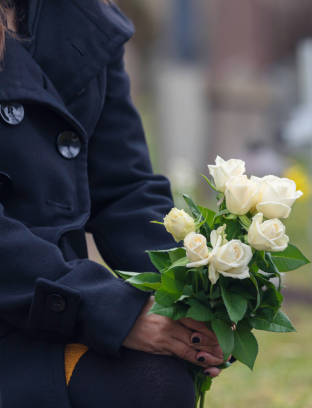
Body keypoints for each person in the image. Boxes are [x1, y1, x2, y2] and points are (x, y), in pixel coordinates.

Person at [0, 0, 224, 407]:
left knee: (157, 381)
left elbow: (124, 186)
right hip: (19, 299)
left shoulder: (80, 16)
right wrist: (114, 313)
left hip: (45, 312)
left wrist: (186, 299)